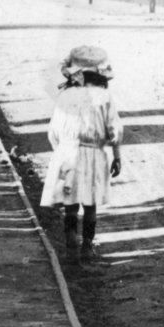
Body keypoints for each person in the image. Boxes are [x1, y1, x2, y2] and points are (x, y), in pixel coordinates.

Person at [43, 45, 122, 265]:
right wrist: (117, 155)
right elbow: (114, 130)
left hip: (67, 152)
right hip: (93, 155)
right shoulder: (104, 99)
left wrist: (60, 152)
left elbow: (53, 132)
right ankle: (87, 246)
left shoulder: (65, 97)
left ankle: (70, 242)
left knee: (70, 203)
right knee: (90, 204)